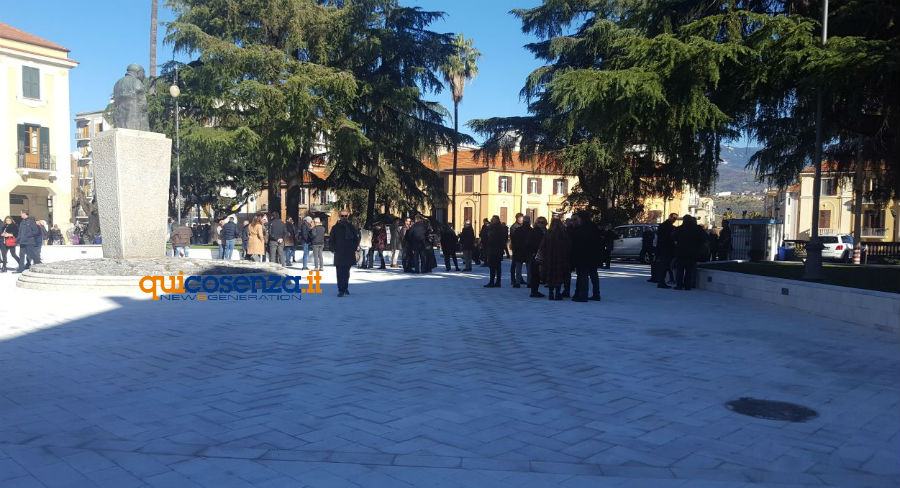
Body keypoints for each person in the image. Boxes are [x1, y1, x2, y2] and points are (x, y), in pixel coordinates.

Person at [570, 211, 603, 302]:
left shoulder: (582, 229)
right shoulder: (593, 227)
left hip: (583, 257)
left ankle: (583, 295)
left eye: (578, 218)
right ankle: (596, 294)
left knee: (582, 276)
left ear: (582, 218)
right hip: (593, 256)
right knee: (593, 275)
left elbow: (578, 245)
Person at [540, 218, 571, 300]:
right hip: (561, 258)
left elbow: (542, 246)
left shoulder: (548, 233)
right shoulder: (563, 234)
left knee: (551, 276)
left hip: (549, 258)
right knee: (559, 276)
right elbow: (568, 246)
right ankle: (557, 293)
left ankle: (551, 293)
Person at [331, 210, 360, 297]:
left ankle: (345, 287)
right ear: (340, 216)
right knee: (339, 273)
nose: (344, 217)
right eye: (342, 216)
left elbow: (356, 239)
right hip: (339, 253)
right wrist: (333, 248)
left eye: (345, 216)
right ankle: (341, 289)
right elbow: (332, 239)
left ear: (348, 216)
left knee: (346, 272)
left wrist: (354, 248)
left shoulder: (351, 227)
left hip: (348, 253)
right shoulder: (335, 227)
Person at [673, 215, 706, 290]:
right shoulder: (697, 229)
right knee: (689, 270)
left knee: (680, 270)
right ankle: (687, 286)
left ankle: (679, 285)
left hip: (681, 252)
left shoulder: (679, 229)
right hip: (692, 253)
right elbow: (704, 239)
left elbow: (674, 237)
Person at [652, 213, 678, 288]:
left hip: (663, 248)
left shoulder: (665, 226)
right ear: (670, 217)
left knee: (664, 266)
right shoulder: (668, 227)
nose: (674, 219)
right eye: (673, 218)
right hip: (666, 249)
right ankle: (661, 282)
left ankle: (661, 281)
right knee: (664, 265)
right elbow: (668, 238)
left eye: (675, 218)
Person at [483, 215, 508, 287]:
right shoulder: (499, 228)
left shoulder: (495, 228)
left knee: (493, 267)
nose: (491, 220)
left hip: (494, 250)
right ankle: (497, 282)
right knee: (497, 267)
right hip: (497, 250)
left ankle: (492, 282)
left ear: (496, 220)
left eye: (493, 219)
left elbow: (492, 239)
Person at [528, 217, 548, 298]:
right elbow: (530, 243)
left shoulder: (545, 231)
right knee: (535, 274)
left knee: (537, 274)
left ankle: (535, 290)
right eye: (540, 222)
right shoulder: (536, 231)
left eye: (543, 222)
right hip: (536, 255)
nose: (541, 224)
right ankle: (534, 291)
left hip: (539, 255)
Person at [510, 215, 531, 287]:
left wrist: (515, 249)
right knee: (529, 268)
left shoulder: (518, 230)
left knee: (518, 268)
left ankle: (517, 282)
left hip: (519, 251)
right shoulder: (531, 230)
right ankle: (529, 282)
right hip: (528, 251)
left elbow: (514, 240)